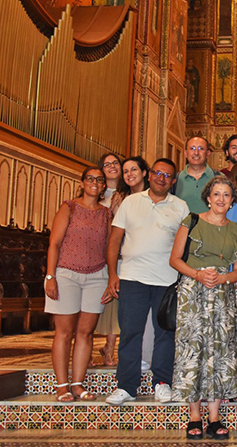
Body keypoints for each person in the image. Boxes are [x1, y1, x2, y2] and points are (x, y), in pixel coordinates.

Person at [104, 159, 190, 405]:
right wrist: (113, 275)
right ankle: (126, 386)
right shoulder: (131, 202)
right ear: (149, 175)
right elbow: (114, 240)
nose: (161, 178)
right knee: (130, 333)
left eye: (167, 175)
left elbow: (185, 246)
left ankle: (162, 383)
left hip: (167, 280)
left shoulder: (181, 207)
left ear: (173, 181)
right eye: (157, 173)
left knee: (165, 333)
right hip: (132, 277)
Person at [170, 177, 237, 440]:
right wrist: (198, 274)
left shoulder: (236, 230)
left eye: (226, 195)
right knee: (193, 349)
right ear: (208, 197)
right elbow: (174, 259)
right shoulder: (191, 221)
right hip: (193, 292)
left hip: (223, 294)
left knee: (219, 351)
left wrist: (222, 278)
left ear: (232, 200)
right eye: (216, 194)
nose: (221, 199)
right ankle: (194, 416)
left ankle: (214, 418)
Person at [44, 166, 112, 401]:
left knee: (85, 332)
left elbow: (109, 248)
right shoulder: (69, 207)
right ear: (82, 183)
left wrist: (111, 278)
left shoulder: (106, 214)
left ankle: (77, 385)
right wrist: (50, 276)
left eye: (99, 180)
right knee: (64, 332)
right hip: (66, 274)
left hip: (97, 276)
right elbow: (54, 243)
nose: (95, 182)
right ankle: (62, 385)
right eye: (90, 178)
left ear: (104, 186)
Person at [94, 156, 150, 367]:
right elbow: (114, 232)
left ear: (144, 172)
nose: (129, 174)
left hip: (143, 260)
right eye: (126, 171)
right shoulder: (120, 198)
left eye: (132, 170)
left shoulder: (153, 195)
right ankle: (108, 348)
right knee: (111, 304)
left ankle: (124, 350)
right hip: (118, 256)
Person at [174, 136, 218, 215]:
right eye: (192, 148)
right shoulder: (175, 180)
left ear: (208, 154)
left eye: (201, 149)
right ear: (186, 153)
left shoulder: (219, 178)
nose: (196, 153)